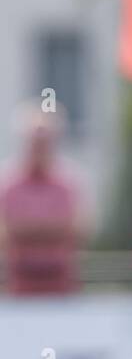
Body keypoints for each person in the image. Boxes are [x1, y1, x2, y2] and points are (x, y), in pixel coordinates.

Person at [0, 111, 82, 295]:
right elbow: (5, 232)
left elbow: (75, 229)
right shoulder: (8, 184)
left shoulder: (68, 183)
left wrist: (26, 230)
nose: (39, 148)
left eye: (44, 143)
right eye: (35, 143)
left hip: (60, 286)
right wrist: (49, 230)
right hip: (20, 286)